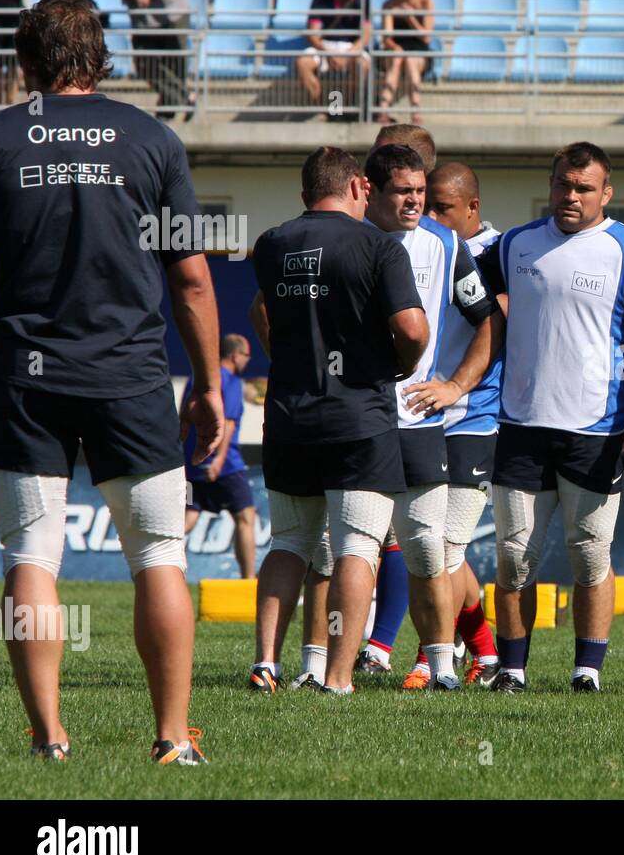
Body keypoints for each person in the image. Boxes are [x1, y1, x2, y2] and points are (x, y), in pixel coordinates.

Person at [0, 0, 222, 763]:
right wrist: (210, 383)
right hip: (130, 372)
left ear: (25, 59)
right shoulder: (152, 139)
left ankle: (50, 738)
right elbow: (190, 278)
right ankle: (172, 738)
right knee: (159, 553)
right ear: (102, 55)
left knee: (30, 552)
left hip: (24, 374)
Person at [477, 142, 624, 694]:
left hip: (598, 430)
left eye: (584, 188)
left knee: (589, 555)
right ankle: (512, 670)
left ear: (605, 194)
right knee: (515, 556)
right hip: (520, 426)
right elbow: (470, 307)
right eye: (564, 184)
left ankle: (586, 670)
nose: (571, 196)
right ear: (551, 185)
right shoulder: (514, 244)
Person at [247, 146, 427, 696]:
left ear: (306, 194)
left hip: (288, 416)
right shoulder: (379, 245)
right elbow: (413, 328)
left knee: (289, 542)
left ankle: (265, 665)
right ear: (356, 186)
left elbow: (262, 313)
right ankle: (338, 678)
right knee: (357, 546)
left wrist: (287, 357)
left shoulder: (272, 243)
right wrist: (402, 364)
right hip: (359, 417)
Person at [339, 145, 496, 694]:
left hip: (420, 422)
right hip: (357, 420)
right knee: (353, 545)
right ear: (371, 190)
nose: (414, 202)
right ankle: (329, 670)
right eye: (403, 191)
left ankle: (441, 666)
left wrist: (456, 385)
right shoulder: (345, 235)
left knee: (428, 549)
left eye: (420, 191)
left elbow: (489, 324)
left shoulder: (446, 244)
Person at [183, 334, 257, 580]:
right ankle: (248, 582)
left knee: (190, 515)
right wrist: (218, 460)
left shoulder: (198, 376)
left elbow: (185, 415)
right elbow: (228, 423)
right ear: (236, 355)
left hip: (192, 463)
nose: (248, 361)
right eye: (247, 355)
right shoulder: (232, 381)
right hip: (225, 465)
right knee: (245, 516)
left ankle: (154, 564)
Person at [102, 0, 195, 119]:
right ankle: (187, 98)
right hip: (143, 20)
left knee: (174, 67)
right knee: (145, 65)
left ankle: (166, 114)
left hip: (172, 16)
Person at [296, 0, 371, 118]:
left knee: (362, 65)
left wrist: (348, 54)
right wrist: (328, 53)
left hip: (351, 47)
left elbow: (366, 35)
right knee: (303, 62)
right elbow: (313, 34)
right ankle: (320, 110)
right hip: (324, 46)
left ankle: (345, 109)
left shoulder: (364, 0)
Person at [378, 0, 433, 126]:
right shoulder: (389, 5)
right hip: (397, 49)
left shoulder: (425, 2)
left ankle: (415, 110)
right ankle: (383, 110)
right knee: (397, 58)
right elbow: (386, 38)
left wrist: (410, 18)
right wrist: (395, 47)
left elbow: (426, 38)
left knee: (410, 59)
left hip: (418, 50)